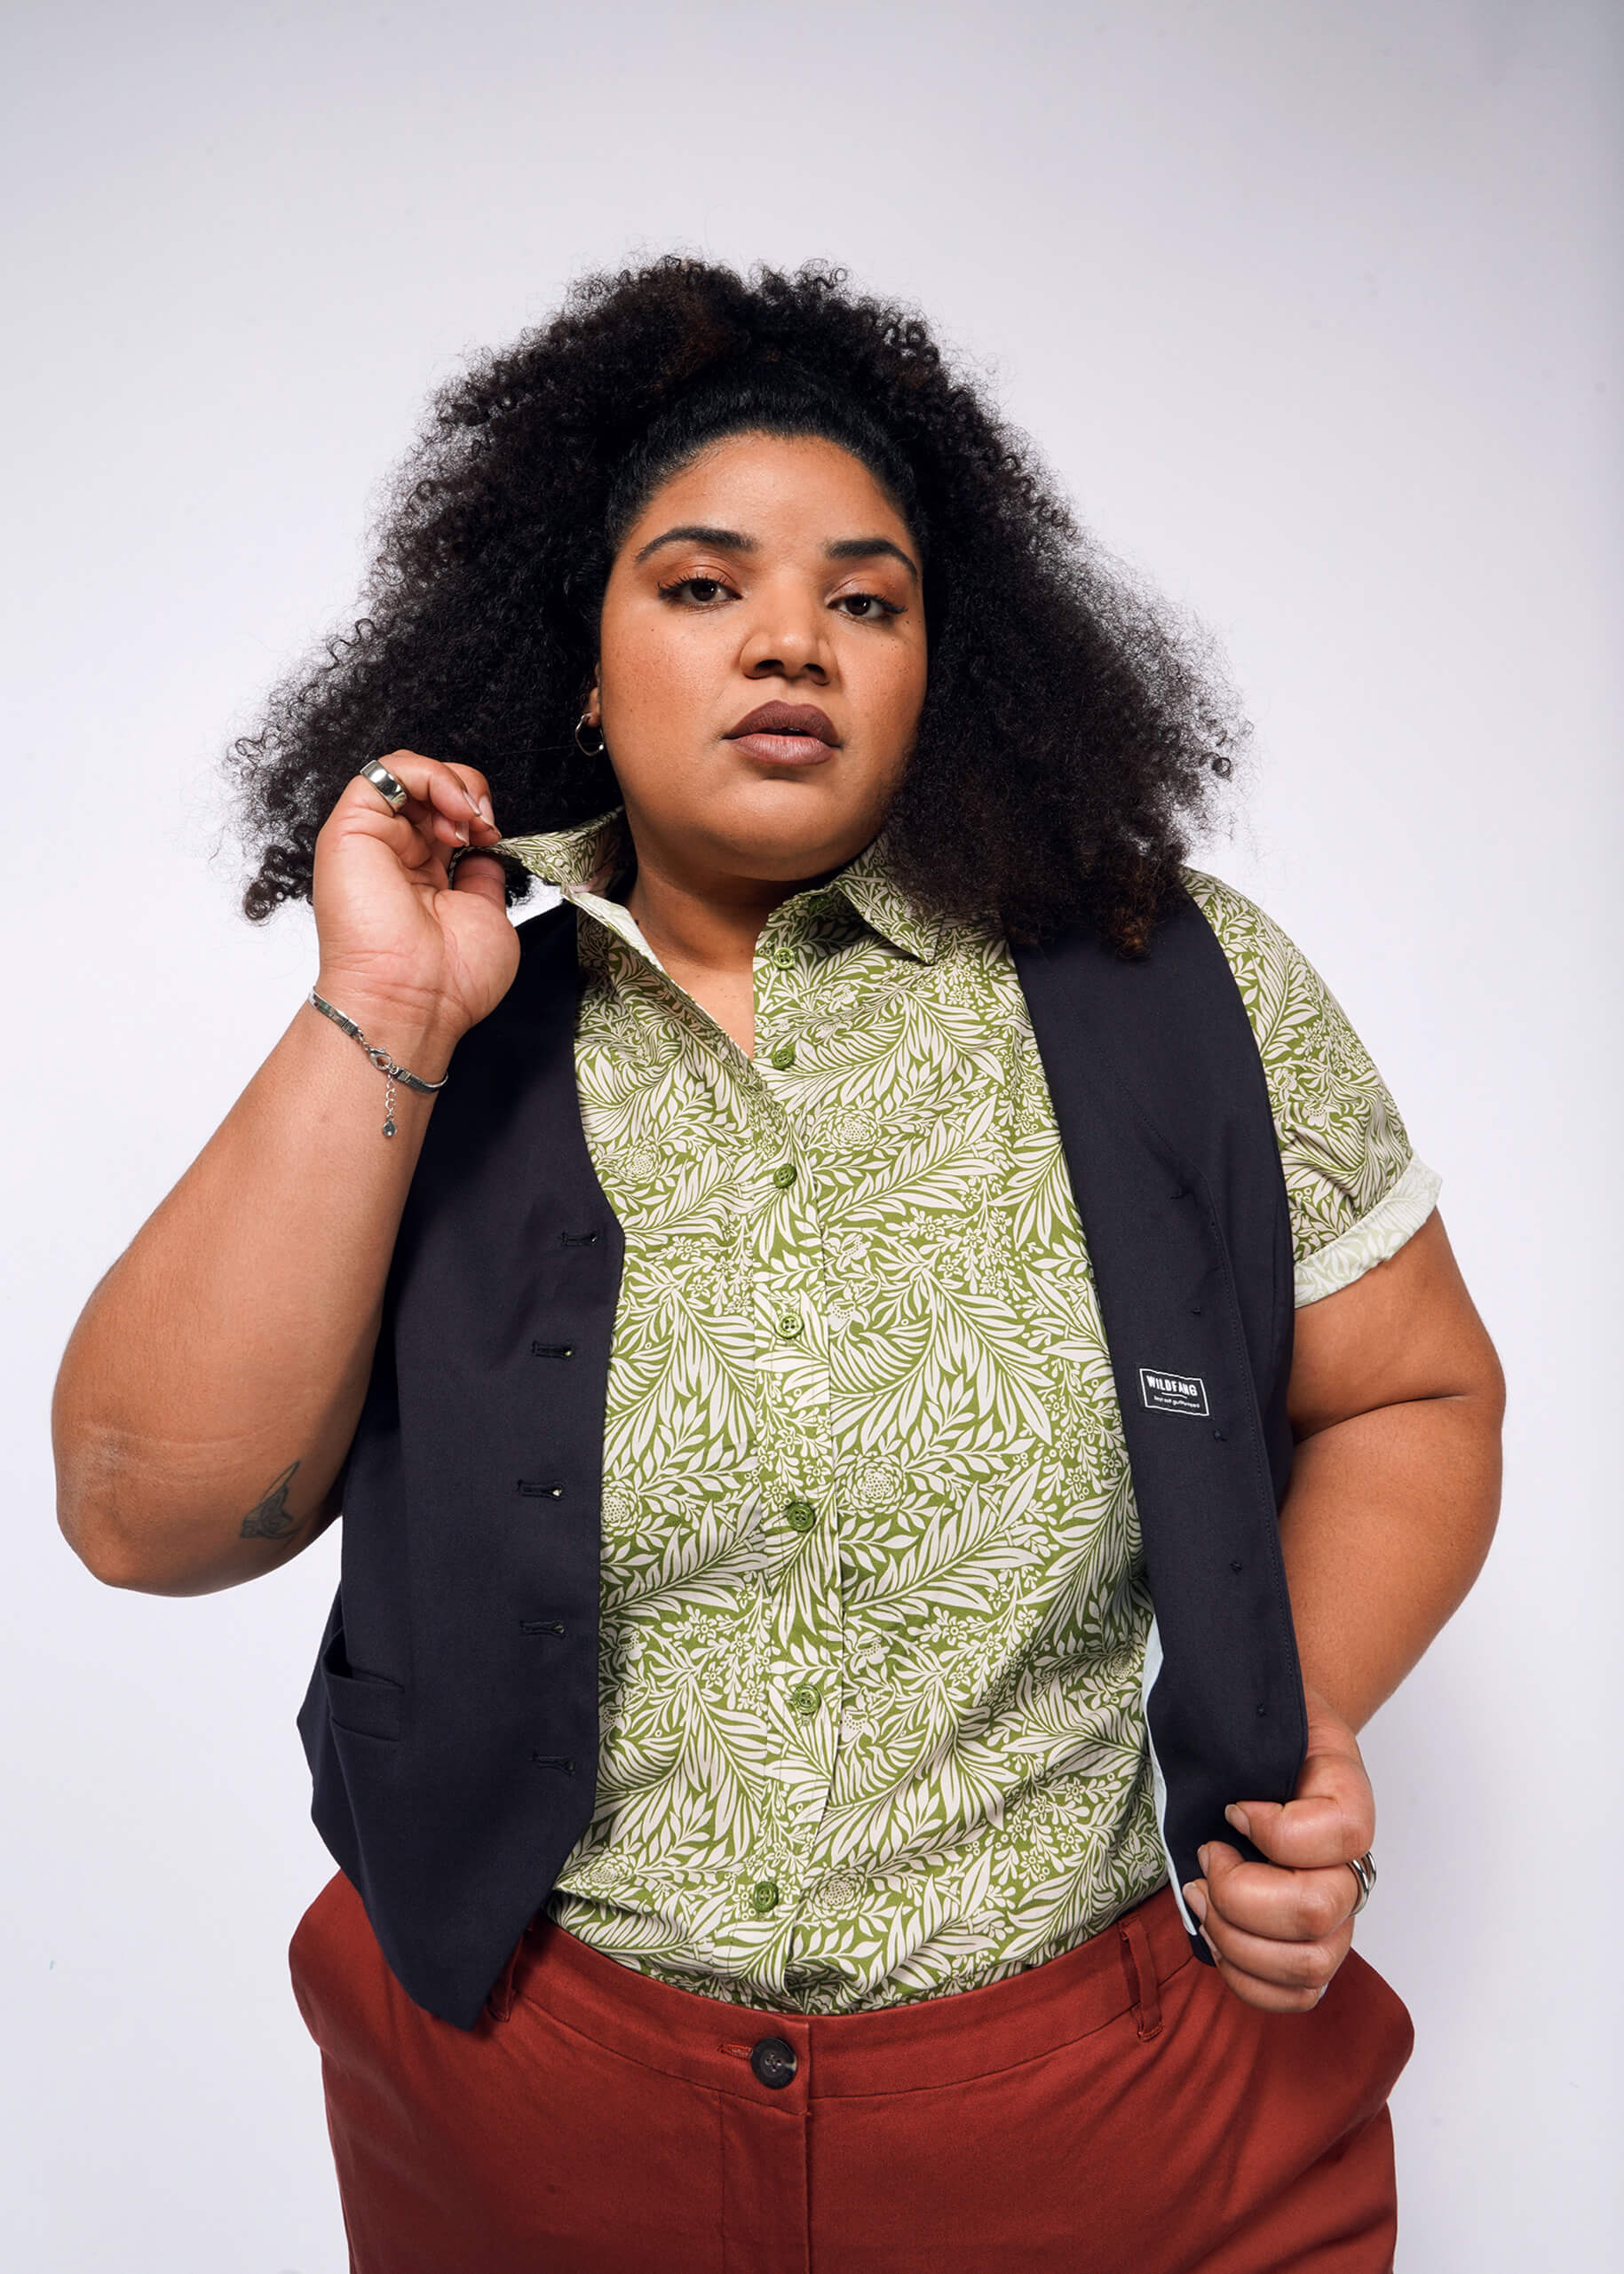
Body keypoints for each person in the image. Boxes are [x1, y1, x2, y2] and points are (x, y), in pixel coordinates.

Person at [51, 259, 1503, 2272]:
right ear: (581, 655)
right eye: (703, 584)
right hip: (535, 2119)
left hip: (1099, 2108)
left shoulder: (1177, 991)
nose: (792, 642)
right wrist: (384, 1000)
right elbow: (152, 1515)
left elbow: (1413, 1386)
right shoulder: (436, 1035)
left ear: (940, 671)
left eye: (868, 599)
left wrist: (1295, 1737)